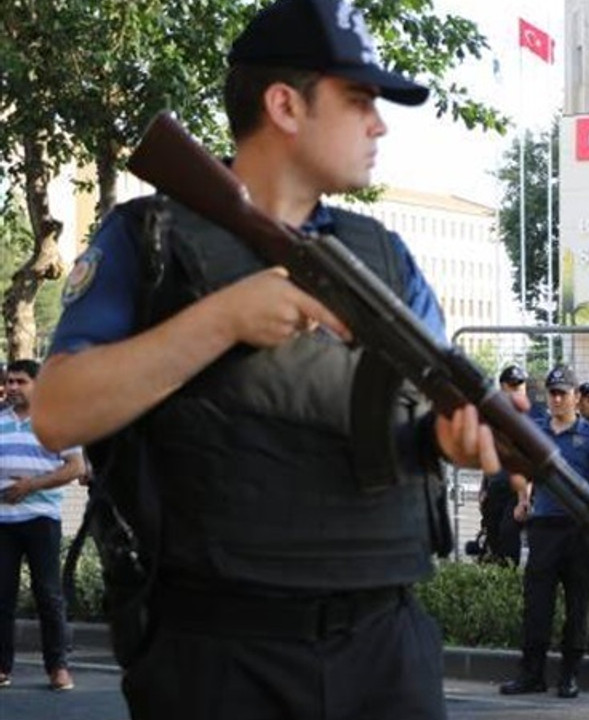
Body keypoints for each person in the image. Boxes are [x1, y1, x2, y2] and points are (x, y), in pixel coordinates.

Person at [29, 1, 508, 718]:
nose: (379, 123)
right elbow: (56, 413)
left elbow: (425, 402)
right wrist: (222, 318)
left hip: (384, 646)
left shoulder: (384, 256)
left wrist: (451, 438)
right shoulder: (149, 239)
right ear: (284, 104)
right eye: (358, 100)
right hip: (218, 653)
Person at [500, 366, 589, 699]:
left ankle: (569, 676)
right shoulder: (536, 432)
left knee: (578, 606)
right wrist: (523, 499)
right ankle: (532, 675)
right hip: (545, 529)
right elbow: (523, 472)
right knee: (537, 605)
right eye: (553, 392)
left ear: (576, 397)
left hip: (582, 531)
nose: (558, 398)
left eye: (564, 392)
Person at [0, 360, 84, 692]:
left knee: (48, 595)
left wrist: (31, 486)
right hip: (2, 522)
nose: (13, 387)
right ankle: (2, 667)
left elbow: (75, 467)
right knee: (1, 597)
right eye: (9, 382)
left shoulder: (56, 422)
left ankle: (58, 668)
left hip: (41, 520)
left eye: (21, 381)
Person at [474, 365, 532, 565]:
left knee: (508, 540)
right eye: (512, 386)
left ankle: (510, 583)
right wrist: (483, 488)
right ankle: (497, 588)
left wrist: (523, 500)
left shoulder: (529, 420)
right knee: (494, 540)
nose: (516, 390)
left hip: (515, 492)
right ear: (502, 388)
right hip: (494, 489)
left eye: (520, 386)